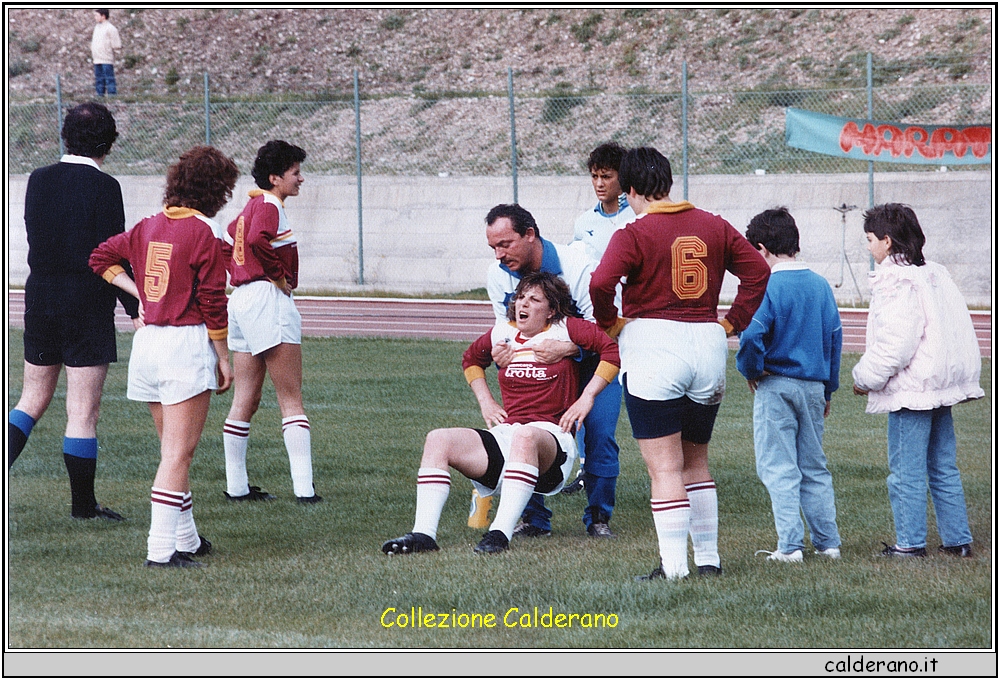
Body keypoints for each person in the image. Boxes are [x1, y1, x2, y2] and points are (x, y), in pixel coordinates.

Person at [590, 146, 770, 581]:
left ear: (632, 190)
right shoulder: (714, 224)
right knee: (696, 462)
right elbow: (757, 273)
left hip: (654, 344)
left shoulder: (632, 232)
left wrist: (610, 323)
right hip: (707, 344)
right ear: (667, 183)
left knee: (665, 468)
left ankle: (673, 569)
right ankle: (708, 560)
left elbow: (600, 283)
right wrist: (732, 322)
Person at [381, 272, 620, 555]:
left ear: (551, 309)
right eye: (521, 297)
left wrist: (585, 399)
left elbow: (611, 351)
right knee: (438, 439)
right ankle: (423, 536)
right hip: (508, 436)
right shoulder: (501, 333)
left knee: (525, 435)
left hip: (553, 443)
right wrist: (486, 401)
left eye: (534, 299)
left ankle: (499, 533)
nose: (524, 304)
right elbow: (471, 359)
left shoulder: (567, 328)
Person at [89, 145, 239, 567]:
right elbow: (212, 300)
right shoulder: (205, 232)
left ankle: (187, 538)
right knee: (178, 454)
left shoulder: (146, 225)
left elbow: (99, 257)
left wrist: (139, 295)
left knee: (172, 451)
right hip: (183, 344)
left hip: (149, 344)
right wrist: (224, 356)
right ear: (217, 191)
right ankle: (160, 550)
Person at [8, 101, 139, 521]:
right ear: (109, 142)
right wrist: (136, 308)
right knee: (82, 411)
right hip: (85, 304)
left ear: (65, 135)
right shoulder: (106, 187)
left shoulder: (38, 179)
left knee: (30, 399)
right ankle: (83, 507)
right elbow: (112, 256)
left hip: (41, 299)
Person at [851, 203, 983, 559]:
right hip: (938, 386)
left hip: (912, 390)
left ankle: (910, 542)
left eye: (870, 240)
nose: (868, 247)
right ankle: (957, 540)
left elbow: (896, 343)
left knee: (906, 471)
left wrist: (864, 378)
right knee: (943, 467)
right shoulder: (934, 273)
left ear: (888, 242)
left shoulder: (896, 279)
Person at [484, 203, 622, 539]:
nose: (499, 255)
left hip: (591, 363)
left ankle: (599, 517)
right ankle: (533, 518)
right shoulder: (498, 275)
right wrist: (501, 352)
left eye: (506, 244)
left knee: (600, 433)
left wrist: (572, 348)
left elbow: (607, 327)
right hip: (538, 368)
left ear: (530, 234)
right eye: (493, 247)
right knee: (522, 433)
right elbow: (505, 330)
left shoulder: (579, 267)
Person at [735, 208, 843, 563]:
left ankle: (791, 546)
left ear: (761, 248)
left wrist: (751, 369)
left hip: (776, 385)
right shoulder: (820, 284)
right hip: (814, 386)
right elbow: (835, 339)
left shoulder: (769, 285)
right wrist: (829, 388)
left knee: (778, 466)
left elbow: (751, 334)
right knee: (814, 465)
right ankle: (828, 543)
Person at [221, 140, 321, 503]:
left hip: (243, 301)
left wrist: (238, 268)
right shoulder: (269, 205)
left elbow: (230, 235)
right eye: (295, 173)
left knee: (245, 397)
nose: (301, 179)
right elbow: (253, 238)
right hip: (266, 299)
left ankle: (236, 487)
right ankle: (304, 490)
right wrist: (278, 274)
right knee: (291, 397)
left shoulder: (252, 205)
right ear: (275, 177)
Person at [561, 141, 635, 497]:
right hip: (591, 324)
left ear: (623, 178)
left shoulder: (634, 219)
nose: (600, 183)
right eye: (594, 176)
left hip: (627, 323)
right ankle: (583, 470)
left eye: (607, 176)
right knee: (586, 405)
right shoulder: (584, 222)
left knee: (620, 406)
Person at [91, 9, 121, 97]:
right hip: (97, 59)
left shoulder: (111, 28)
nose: (95, 17)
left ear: (103, 16)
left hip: (106, 58)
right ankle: (100, 95)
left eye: (96, 15)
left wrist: (115, 51)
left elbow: (116, 43)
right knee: (99, 79)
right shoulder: (97, 27)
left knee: (109, 78)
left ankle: (112, 95)